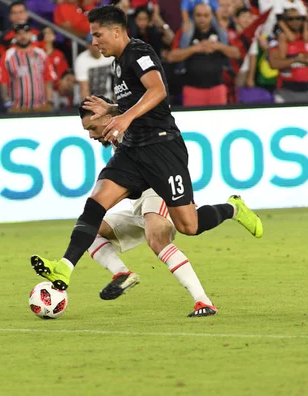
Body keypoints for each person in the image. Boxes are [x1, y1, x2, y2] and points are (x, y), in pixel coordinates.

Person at [29, 5, 263, 292]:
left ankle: (232, 208)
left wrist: (124, 117)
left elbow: (158, 90)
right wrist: (114, 108)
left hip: (161, 146)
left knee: (189, 225)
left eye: (97, 34)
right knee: (95, 204)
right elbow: (138, 100)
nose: (94, 42)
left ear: (117, 31)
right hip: (133, 150)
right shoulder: (117, 62)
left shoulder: (137, 53)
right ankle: (64, 268)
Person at [79, 95, 217, 317]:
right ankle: (121, 273)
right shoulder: (117, 138)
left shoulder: (136, 125)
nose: (91, 135)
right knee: (89, 230)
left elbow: (157, 104)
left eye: (92, 127)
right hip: (140, 200)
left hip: (159, 187)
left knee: (158, 238)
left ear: (107, 118)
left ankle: (203, 301)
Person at [167, 3, 241, 106]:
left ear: (211, 16)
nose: (202, 19)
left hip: (217, 88)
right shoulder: (185, 33)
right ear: (193, 16)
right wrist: (195, 49)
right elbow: (171, 57)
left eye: (206, 15)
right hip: (192, 89)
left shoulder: (221, 33)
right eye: (199, 15)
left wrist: (218, 46)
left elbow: (237, 53)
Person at [0, 22, 54, 113]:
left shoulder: (40, 54)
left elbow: (48, 78)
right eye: (19, 34)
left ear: (31, 34)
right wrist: (7, 103)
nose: (23, 36)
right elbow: (2, 81)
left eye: (25, 33)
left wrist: (49, 101)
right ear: (15, 36)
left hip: (41, 107)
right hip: (18, 108)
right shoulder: (8, 56)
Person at [268, 8, 308, 103]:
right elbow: (273, 64)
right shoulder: (278, 40)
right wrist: (296, 60)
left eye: (298, 18)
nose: (295, 22)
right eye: (291, 19)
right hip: (286, 90)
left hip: (307, 89)